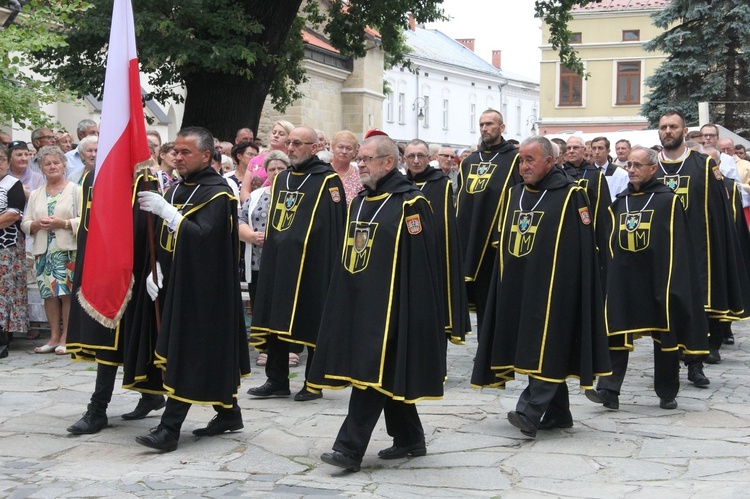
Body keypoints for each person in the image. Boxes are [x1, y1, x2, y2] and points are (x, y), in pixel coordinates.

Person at [310, 134, 446, 472]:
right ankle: (410, 438)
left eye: (368, 158)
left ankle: (348, 448)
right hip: (360, 301)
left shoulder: (411, 204)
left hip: (394, 307)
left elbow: (422, 263)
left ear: (388, 162)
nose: (361, 164)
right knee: (383, 374)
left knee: (372, 374)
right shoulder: (359, 201)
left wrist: (413, 311)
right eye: (360, 158)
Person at [471, 136, 611, 438]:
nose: (523, 166)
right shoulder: (514, 195)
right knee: (539, 347)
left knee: (550, 345)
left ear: (549, 161)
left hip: (556, 289)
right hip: (519, 286)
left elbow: (582, 248)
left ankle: (529, 410)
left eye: (530, 160)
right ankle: (559, 414)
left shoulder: (571, 195)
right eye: (521, 160)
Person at [134, 126, 251, 452]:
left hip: (206, 290)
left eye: (186, 152)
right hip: (176, 282)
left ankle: (169, 429)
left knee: (189, 355)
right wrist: (156, 268)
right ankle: (229, 413)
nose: (178, 157)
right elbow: (166, 238)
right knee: (202, 354)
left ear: (206, 155)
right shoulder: (175, 189)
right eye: (176, 152)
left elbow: (205, 239)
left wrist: (168, 213)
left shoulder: (219, 193)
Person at [586, 146, 709, 412]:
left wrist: (674, 282)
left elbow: (679, 244)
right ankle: (608, 389)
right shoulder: (619, 202)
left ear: (653, 169)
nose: (630, 170)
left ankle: (667, 391)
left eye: (637, 165)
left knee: (664, 336)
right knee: (616, 332)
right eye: (628, 165)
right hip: (624, 278)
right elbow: (610, 241)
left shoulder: (668, 201)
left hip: (659, 279)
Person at [248, 125, 346, 402]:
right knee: (276, 318)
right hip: (280, 263)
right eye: (289, 143)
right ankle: (276, 379)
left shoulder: (328, 181)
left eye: (298, 143)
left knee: (312, 320)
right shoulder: (282, 179)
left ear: (314, 148)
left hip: (313, 265)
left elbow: (334, 228)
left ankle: (313, 383)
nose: (290, 148)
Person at [65, 167, 166, 435]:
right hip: (99, 267)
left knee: (125, 338)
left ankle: (98, 409)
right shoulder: (92, 178)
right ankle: (148, 397)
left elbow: (149, 229)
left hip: (132, 271)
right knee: (104, 337)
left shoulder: (146, 180)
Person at [653, 110, 748, 380]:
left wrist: (718, 249)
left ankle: (696, 365)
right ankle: (667, 371)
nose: (667, 131)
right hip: (661, 253)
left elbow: (718, 212)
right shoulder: (651, 166)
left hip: (696, 251)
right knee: (664, 311)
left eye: (673, 126)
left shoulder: (703, 165)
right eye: (663, 127)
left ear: (684, 132)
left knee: (695, 309)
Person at [456, 109, 521, 334]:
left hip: (499, 239)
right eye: (482, 124)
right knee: (482, 296)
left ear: (502, 128)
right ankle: (484, 346)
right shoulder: (470, 161)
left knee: (500, 297)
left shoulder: (515, 159)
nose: (485, 128)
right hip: (473, 237)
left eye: (490, 124)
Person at [404, 139, 470, 344]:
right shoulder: (400, 184)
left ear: (429, 158)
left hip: (434, 255)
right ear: (404, 159)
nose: (416, 161)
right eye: (411, 156)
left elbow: (444, 227)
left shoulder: (441, 184)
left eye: (420, 156)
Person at [21, 146, 82, 355]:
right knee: (48, 295)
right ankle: (54, 337)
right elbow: (25, 223)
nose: (52, 166)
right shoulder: (37, 193)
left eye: (56, 162)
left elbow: (85, 220)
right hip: (43, 250)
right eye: (47, 164)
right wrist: (36, 224)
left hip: (66, 249)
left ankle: (67, 337)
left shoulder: (76, 189)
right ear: (41, 168)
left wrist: (63, 223)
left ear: (64, 165)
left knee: (66, 294)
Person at [238, 150, 291, 366]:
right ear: (266, 172)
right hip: (258, 262)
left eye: (281, 168)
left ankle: (290, 349)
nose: (276, 172)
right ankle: (266, 349)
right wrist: (251, 235)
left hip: (285, 266)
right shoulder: (256, 195)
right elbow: (239, 219)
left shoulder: (295, 195)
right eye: (272, 169)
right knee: (261, 306)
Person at [0, 144, 28, 356]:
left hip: (6, 247)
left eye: (1, 159)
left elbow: (13, 215)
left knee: (4, 290)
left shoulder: (13, 184)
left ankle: (3, 338)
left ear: (8, 162)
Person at [240, 120, 294, 203]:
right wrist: (254, 205)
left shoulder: (293, 161)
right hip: (255, 206)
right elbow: (245, 190)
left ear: (289, 139)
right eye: (274, 132)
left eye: (281, 134)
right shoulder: (256, 160)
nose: (276, 136)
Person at [590, 136, 629, 202]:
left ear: (608, 151)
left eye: (600, 148)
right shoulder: (586, 172)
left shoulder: (622, 174)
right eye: (594, 148)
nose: (596, 152)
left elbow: (624, 198)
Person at [329, 130, 362, 205]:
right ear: (333, 148)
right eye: (340, 147)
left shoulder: (359, 176)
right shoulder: (322, 171)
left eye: (349, 148)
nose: (344, 151)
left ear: (354, 152)